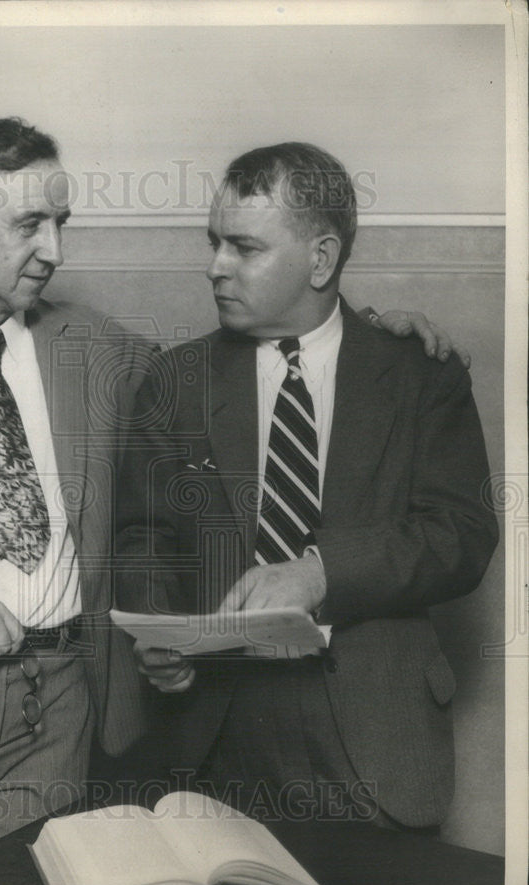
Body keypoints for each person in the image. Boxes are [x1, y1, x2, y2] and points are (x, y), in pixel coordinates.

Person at [0, 118, 468, 885]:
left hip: (59, 715)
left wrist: (373, 331)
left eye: (61, 223)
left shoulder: (97, 350)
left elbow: (277, 352)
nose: (56, 251)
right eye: (30, 224)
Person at [115, 142, 497, 831]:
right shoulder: (175, 381)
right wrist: (155, 631)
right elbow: (141, 535)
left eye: (244, 247)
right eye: (214, 243)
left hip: (376, 745)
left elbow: (462, 536)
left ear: (320, 258)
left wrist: (321, 575)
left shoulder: (420, 375)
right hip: (212, 742)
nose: (215, 267)